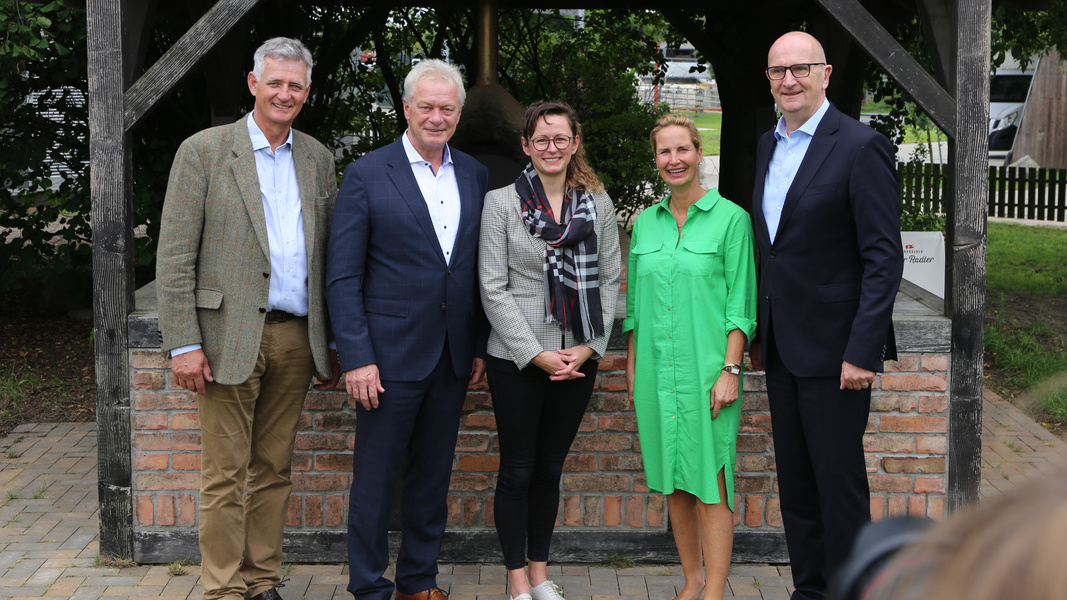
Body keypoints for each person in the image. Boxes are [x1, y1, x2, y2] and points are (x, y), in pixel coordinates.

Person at [156, 37, 339, 600]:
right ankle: (222, 589)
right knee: (223, 475)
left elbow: (331, 252)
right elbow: (175, 255)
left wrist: (330, 339)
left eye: (296, 85)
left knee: (274, 471)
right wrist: (183, 343)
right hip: (225, 338)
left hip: (296, 337)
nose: (285, 93)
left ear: (307, 93)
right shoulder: (204, 151)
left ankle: (262, 582)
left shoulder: (318, 158)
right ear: (253, 83)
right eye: (275, 82)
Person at [325, 59, 490, 600]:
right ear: (407, 109)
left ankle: (418, 582)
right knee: (374, 483)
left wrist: (479, 344)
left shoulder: (473, 173)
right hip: (385, 359)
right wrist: (355, 356)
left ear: (459, 114)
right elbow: (344, 275)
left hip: (451, 356)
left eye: (447, 108)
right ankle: (369, 587)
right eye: (427, 107)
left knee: (431, 481)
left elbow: (470, 269)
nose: (436, 117)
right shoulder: (368, 174)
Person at [749, 31, 904, 600]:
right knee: (796, 484)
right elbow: (775, 248)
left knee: (838, 485)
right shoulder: (767, 145)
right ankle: (810, 591)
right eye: (777, 71)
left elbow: (883, 259)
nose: (789, 80)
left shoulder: (861, 146)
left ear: (826, 73)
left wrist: (863, 350)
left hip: (839, 353)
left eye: (801, 69)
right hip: (785, 346)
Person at [479, 101, 622, 600]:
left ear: (575, 142)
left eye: (561, 139)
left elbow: (609, 278)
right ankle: (516, 580)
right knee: (517, 469)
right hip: (516, 358)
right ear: (525, 146)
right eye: (541, 140)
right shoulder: (501, 203)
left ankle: (540, 574)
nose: (552, 148)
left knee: (549, 469)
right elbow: (492, 287)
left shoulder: (597, 203)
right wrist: (535, 354)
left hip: (578, 358)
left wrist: (586, 349)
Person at [623, 113, 757, 600]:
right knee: (674, 482)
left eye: (683, 149)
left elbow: (741, 307)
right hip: (657, 376)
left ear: (700, 154)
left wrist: (729, 371)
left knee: (711, 481)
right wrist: (634, 369)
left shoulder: (732, 220)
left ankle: (715, 592)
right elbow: (635, 309)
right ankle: (691, 582)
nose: (674, 159)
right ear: (656, 159)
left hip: (709, 374)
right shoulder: (644, 225)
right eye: (664, 151)